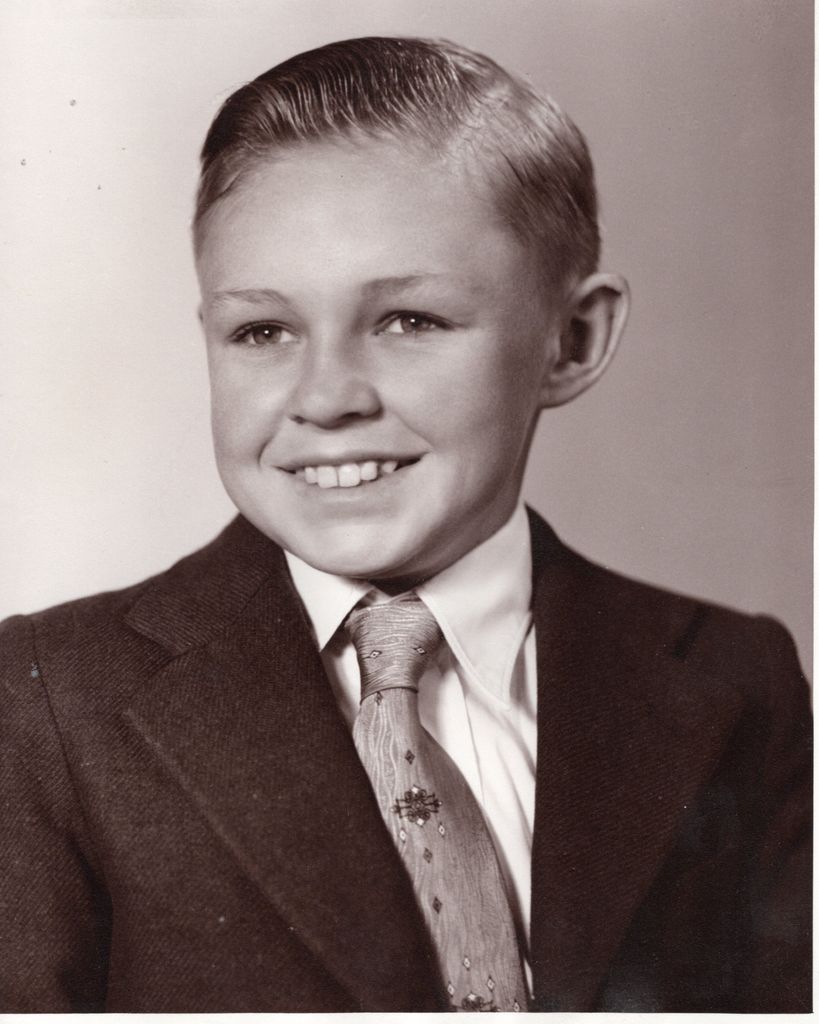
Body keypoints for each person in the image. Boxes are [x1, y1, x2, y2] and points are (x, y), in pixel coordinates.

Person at [0, 36, 810, 1013]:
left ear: (573, 339)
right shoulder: (48, 702)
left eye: (408, 321)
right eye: (263, 331)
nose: (326, 397)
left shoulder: (735, 679)